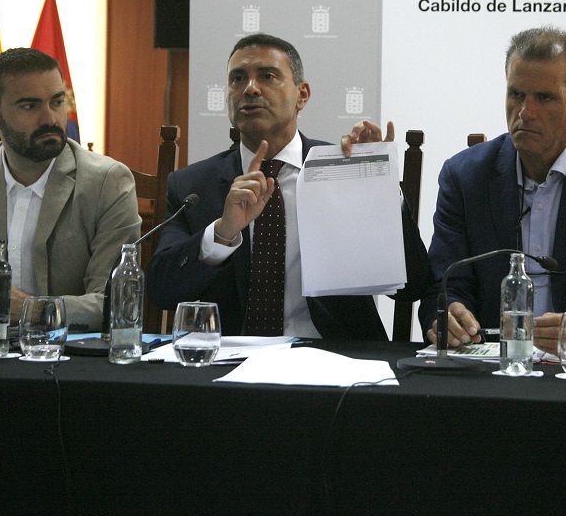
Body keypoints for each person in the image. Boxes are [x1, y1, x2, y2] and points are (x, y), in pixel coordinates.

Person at [147, 34, 429, 339]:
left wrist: (378, 190)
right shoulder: (193, 186)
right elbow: (162, 292)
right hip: (229, 361)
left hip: (335, 359)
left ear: (302, 95)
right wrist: (222, 233)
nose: (250, 88)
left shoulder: (343, 171)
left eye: (267, 76)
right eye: (238, 78)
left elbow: (414, 286)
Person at [418, 27, 566, 351]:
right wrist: (448, 316)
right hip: (489, 371)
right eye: (516, 94)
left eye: (544, 98)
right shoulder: (465, 177)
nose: (525, 112)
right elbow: (443, 289)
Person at [0, 47, 141, 332]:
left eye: (57, 102)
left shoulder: (107, 183)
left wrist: (32, 309)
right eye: (30, 106)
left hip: (63, 358)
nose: (50, 119)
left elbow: (115, 301)